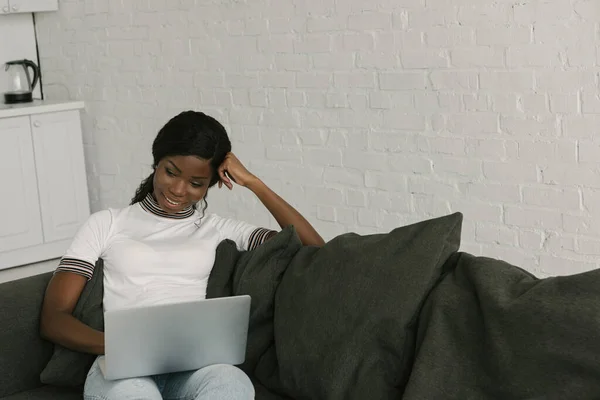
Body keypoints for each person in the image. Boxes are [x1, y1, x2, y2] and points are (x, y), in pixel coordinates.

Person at [40, 110, 325, 400]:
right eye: (170, 172)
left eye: (196, 183)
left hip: (196, 369)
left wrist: (253, 183)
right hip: (123, 370)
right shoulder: (107, 223)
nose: (177, 189)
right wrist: (120, 346)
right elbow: (53, 318)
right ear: (156, 163)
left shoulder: (219, 229)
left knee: (232, 383)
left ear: (212, 183)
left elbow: (316, 250)